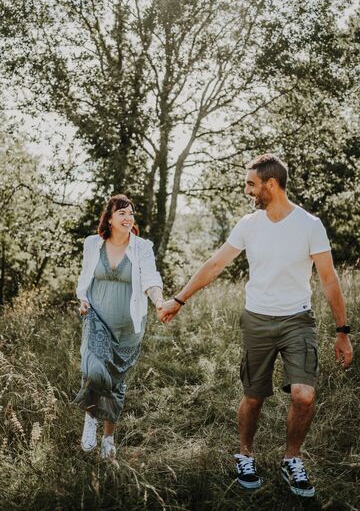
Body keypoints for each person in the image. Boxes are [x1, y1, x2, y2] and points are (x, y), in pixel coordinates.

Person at [158, 154, 353, 497]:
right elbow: (215, 264)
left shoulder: (310, 225)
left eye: (251, 183)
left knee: (304, 395)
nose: (246, 189)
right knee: (253, 396)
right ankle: (245, 454)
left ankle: (291, 459)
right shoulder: (249, 224)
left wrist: (342, 331)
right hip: (257, 320)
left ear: (271, 184)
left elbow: (329, 279)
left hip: (297, 320)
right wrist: (180, 298)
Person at [74, 194, 164, 459]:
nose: (128, 218)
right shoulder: (93, 244)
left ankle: (108, 438)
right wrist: (82, 298)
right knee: (93, 372)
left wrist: (159, 300)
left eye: (131, 213)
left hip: (128, 327)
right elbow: (86, 275)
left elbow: (150, 277)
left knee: (114, 383)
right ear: (110, 218)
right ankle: (90, 418)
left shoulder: (142, 247)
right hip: (97, 319)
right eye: (122, 213)